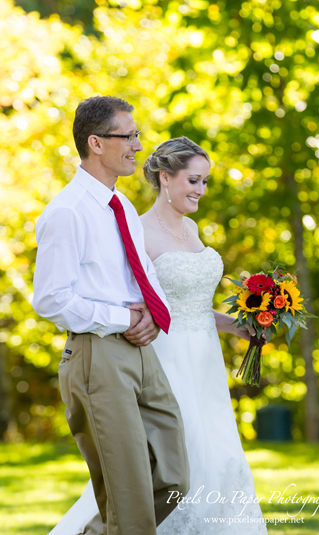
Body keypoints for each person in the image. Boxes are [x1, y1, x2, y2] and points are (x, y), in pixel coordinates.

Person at [48, 137, 268, 533]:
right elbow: (134, 299)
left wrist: (241, 325)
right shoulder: (136, 229)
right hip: (164, 359)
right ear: (166, 178)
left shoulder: (194, 228)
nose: (200, 190)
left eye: (205, 183)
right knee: (172, 459)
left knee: (219, 456)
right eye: (194, 180)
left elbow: (194, 308)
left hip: (205, 363)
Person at [32, 96, 190, 535]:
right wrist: (124, 319)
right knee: (131, 497)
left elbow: (142, 275)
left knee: (175, 477)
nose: (138, 145)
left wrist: (154, 315)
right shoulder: (66, 212)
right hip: (97, 356)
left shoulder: (121, 208)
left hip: (141, 351)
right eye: (129, 136)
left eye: (137, 135)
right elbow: (50, 298)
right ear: (96, 143)